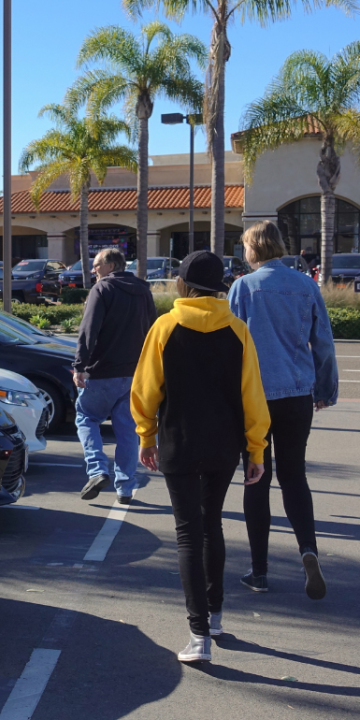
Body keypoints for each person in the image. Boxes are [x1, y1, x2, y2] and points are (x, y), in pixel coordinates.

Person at [131, 250, 268, 663]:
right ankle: (217, 615)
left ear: (182, 284)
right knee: (212, 526)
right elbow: (253, 397)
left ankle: (198, 635)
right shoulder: (238, 330)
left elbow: (145, 390)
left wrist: (146, 435)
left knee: (188, 532)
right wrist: (256, 449)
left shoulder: (165, 326)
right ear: (220, 286)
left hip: (178, 443)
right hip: (224, 446)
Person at [228, 221, 338, 599]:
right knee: (294, 476)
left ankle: (259, 571)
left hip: (255, 398)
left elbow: (230, 344)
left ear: (253, 249)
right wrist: (324, 390)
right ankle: (308, 548)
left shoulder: (243, 287)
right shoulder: (306, 285)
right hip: (296, 396)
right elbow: (323, 343)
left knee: (256, 478)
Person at [73, 248, 155, 504]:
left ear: (110, 265)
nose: (93, 270)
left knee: (86, 417)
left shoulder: (102, 290)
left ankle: (97, 470)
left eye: (96, 265)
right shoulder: (143, 290)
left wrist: (79, 366)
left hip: (102, 371)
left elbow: (89, 330)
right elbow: (153, 330)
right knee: (128, 431)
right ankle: (125, 488)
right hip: (135, 374)